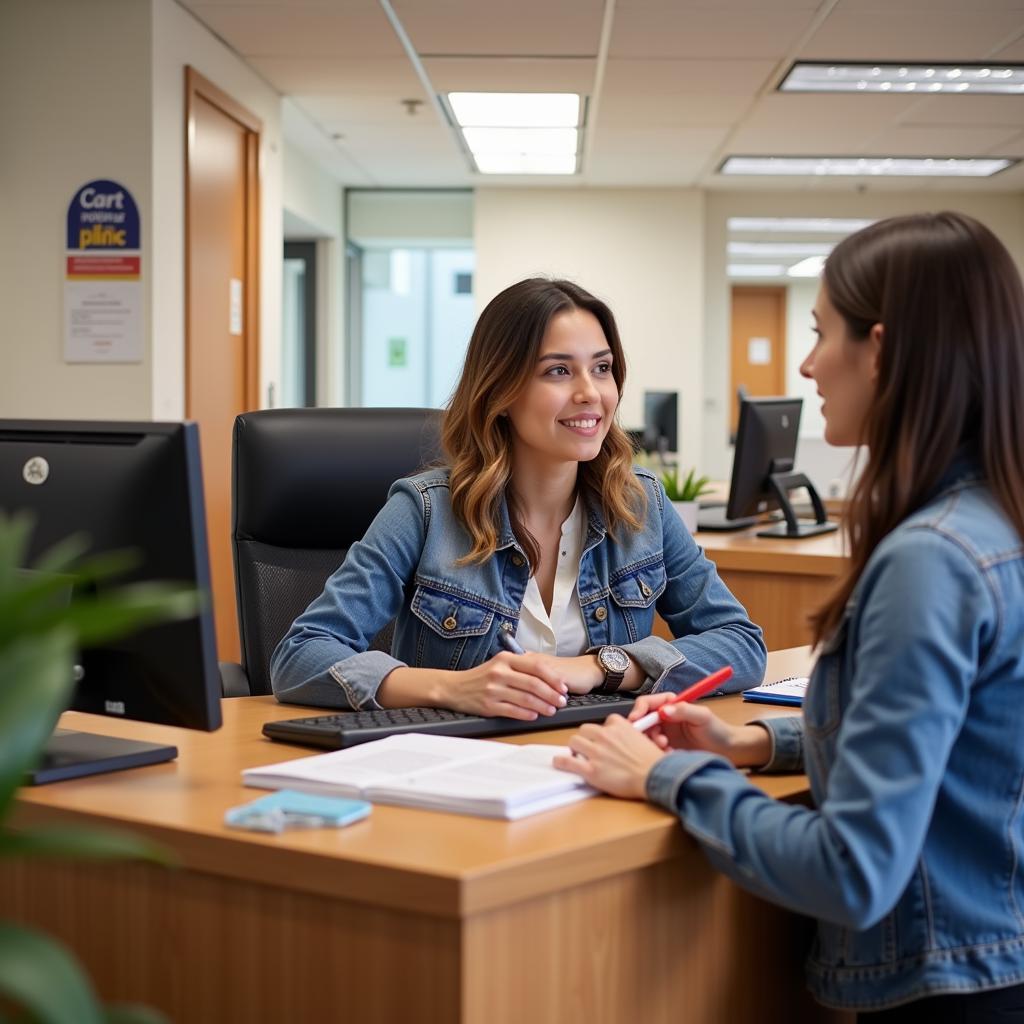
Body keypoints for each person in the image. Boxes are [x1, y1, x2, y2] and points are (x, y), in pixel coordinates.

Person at [554, 212, 1024, 1021]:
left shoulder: (930, 562)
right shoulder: (994, 526)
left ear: (880, 351)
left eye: (821, 333)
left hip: (947, 991)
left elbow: (853, 869)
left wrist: (667, 776)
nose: (807, 365)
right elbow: (954, 743)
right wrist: (750, 742)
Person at [271, 277, 766, 717]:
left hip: (598, 767)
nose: (591, 393)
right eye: (558, 371)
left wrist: (603, 668)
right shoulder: (426, 511)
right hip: (461, 780)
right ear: (501, 391)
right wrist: (453, 689)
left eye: (602, 368)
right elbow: (300, 655)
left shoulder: (640, 505)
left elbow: (741, 645)